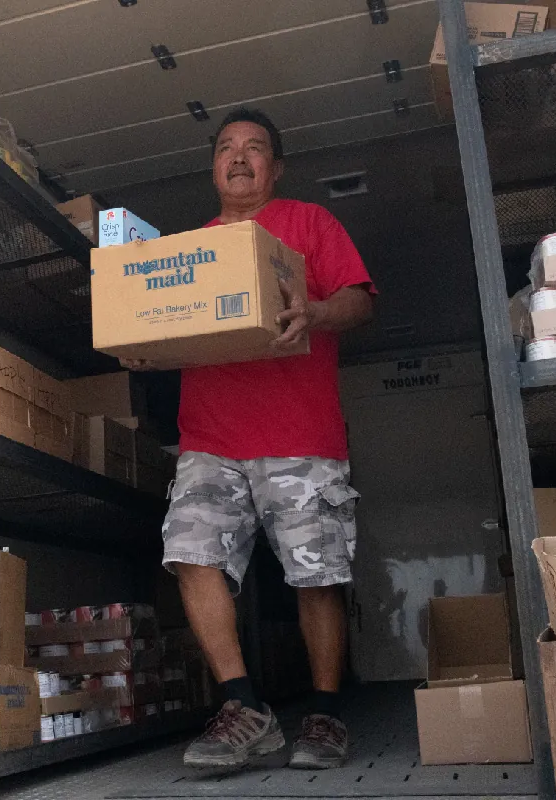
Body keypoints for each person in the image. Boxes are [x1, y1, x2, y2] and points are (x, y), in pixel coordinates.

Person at [121, 108, 375, 770]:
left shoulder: (310, 225)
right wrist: (141, 346)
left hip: (301, 437)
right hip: (211, 439)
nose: (239, 157)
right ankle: (246, 706)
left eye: (255, 148)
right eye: (227, 147)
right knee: (189, 552)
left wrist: (315, 311)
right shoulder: (190, 251)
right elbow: (172, 328)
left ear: (276, 167)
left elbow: (359, 301)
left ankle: (324, 715)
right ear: (213, 166)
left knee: (318, 574)